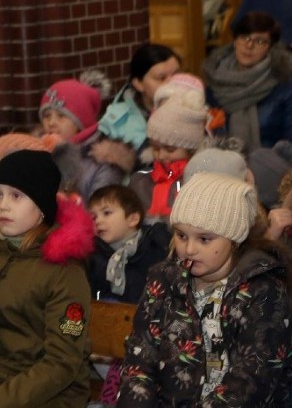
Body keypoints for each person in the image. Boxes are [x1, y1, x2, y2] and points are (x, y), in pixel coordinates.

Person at [118, 173, 291, 406]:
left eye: (204, 239)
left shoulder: (264, 292)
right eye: (181, 235)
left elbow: (249, 383)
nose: (189, 249)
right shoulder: (164, 280)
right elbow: (140, 361)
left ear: (234, 238)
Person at [0, 149, 94, 407]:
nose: (4, 205)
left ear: (42, 205)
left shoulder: (64, 271)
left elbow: (61, 363)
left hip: (47, 395)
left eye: (17, 196)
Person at [204, 11, 292, 150]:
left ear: (270, 48)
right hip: (221, 164)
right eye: (244, 37)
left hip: (272, 165)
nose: (249, 45)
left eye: (259, 41)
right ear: (234, 41)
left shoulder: (284, 85)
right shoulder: (215, 80)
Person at [94, 43, 181, 175]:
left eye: (176, 75)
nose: (171, 83)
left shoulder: (196, 112)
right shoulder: (114, 122)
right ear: (138, 84)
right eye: (161, 78)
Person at [38, 70, 122, 201]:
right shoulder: (39, 152)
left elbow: (100, 209)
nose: (51, 123)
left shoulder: (102, 161)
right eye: (47, 116)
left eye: (61, 116)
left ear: (80, 122)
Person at [128, 94, 207, 224]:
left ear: (190, 149)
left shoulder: (200, 182)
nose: (161, 156)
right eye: (155, 148)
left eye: (170, 149)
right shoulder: (141, 181)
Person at [87, 185, 169, 304]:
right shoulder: (92, 254)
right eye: (94, 217)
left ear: (133, 219)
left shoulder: (155, 247)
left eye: (107, 213)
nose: (98, 221)